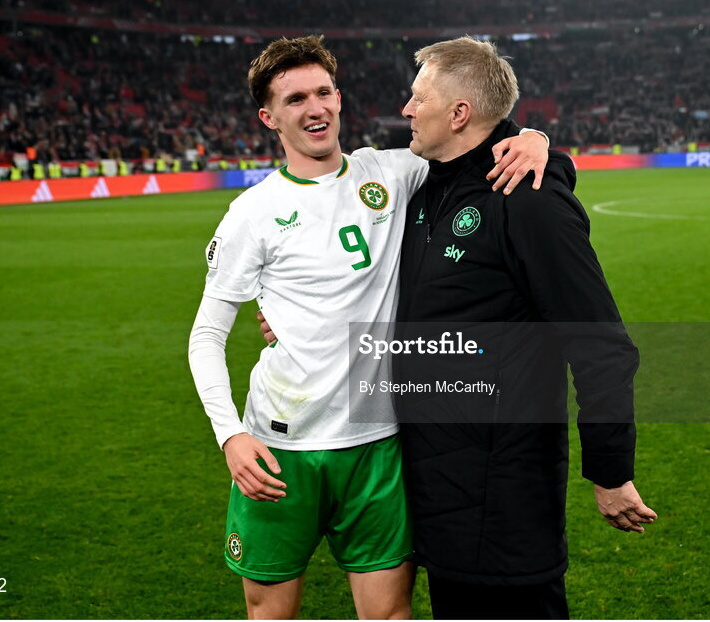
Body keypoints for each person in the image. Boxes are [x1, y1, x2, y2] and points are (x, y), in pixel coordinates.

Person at [186, 35, 551, 619]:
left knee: (389, 615)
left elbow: (476, 137)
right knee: (269, 612)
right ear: (269, 117)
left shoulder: (394, 171)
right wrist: (230, 434)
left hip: (377, 443)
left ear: (339, 97)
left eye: (324, 91)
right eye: (296, 98)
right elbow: (206, 335)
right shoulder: (250, 213)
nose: (315, 108)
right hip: (283, 446)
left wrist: (535, 139)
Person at [392, 37, 657, 619]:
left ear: (459, 113)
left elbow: (600, 345)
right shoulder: (423, 187)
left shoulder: (528, 197)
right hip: (434, 486)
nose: (405, 110)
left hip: (502, 492)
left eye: (417, 98)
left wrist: (610, 471)